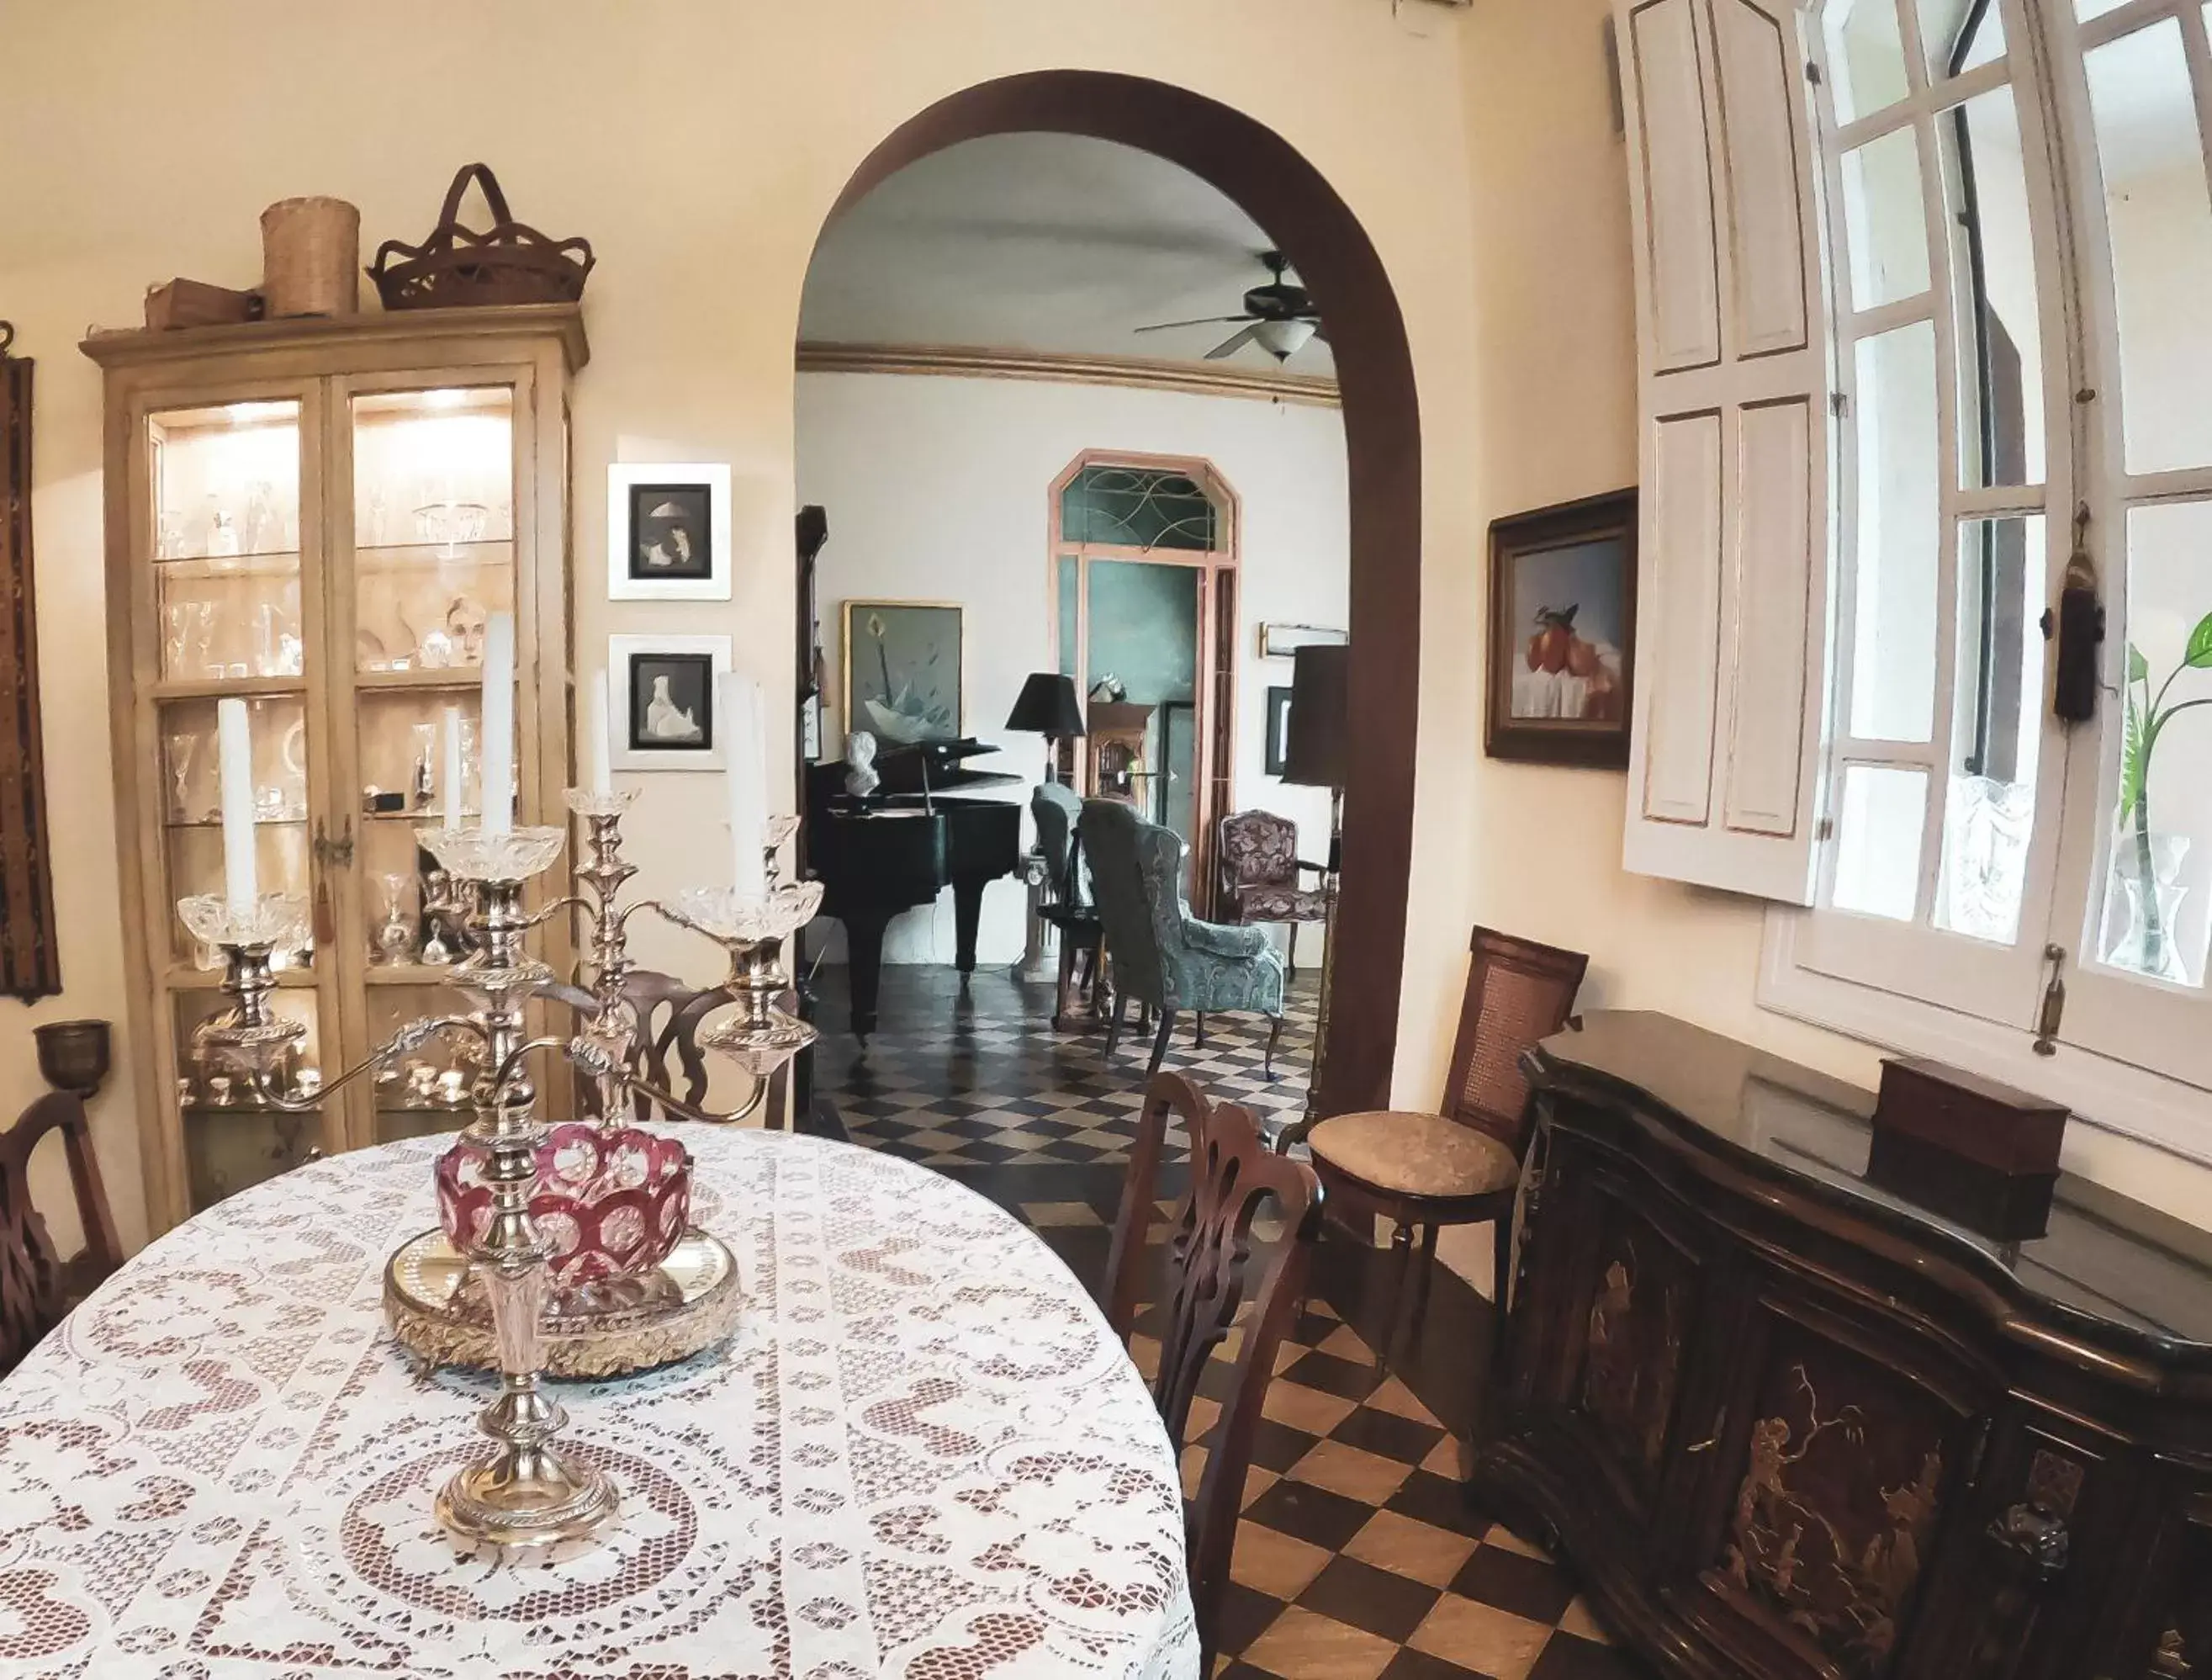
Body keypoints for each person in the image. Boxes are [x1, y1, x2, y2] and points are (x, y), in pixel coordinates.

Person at [643, 674, 702, 742]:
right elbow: (664, 700)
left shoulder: (656, 705)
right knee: (671, 717)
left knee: (672, 716)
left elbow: (666, 702)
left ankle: (685, 723)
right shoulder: (654, 706)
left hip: (664, 717)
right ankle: (685, 723)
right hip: (663, 721)